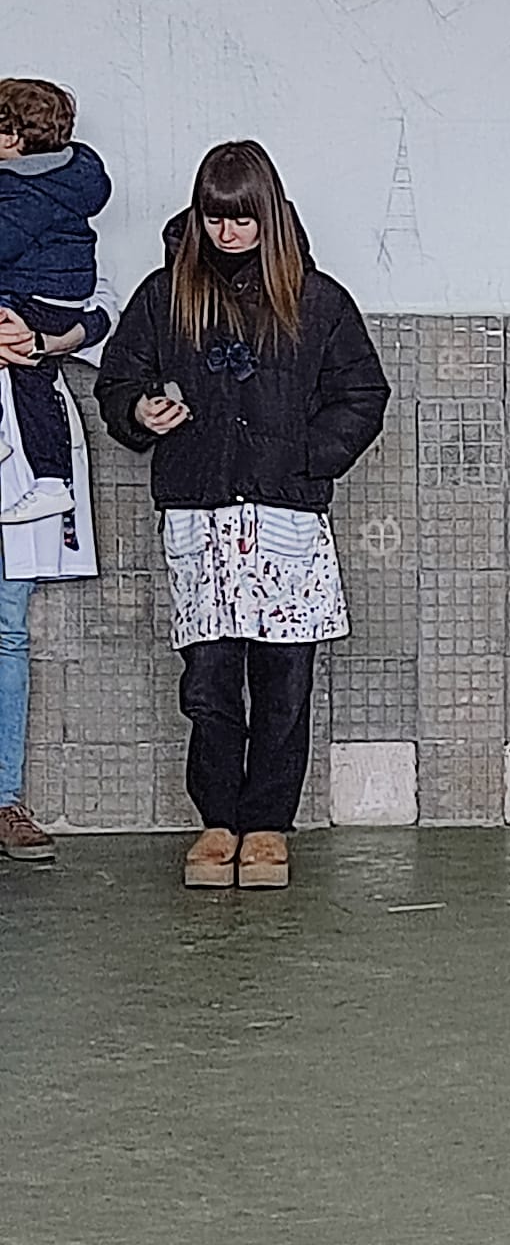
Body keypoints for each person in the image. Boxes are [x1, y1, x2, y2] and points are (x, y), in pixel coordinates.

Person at [94, 140, 388, 891]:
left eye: (242, 218)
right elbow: (118, 381)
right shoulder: (166, 296)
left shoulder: (317, 300)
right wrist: (142, 411)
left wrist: (303, 458)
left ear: (269, 215)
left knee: (285, 680)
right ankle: (217, 819)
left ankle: (268, 825)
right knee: (209, 680)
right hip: (198, 516)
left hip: (286, 520)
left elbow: (363, 395)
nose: (228, 233)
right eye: (215, 218)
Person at [0, 273, 120, 861]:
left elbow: (103, 313)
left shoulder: (48, 235)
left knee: (7, 631)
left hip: (21, 452)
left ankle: (4, 800)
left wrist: (40, 342)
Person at [0, 78, 113, 525]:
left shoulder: (21, 188)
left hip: (33, 298)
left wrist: (43, 341)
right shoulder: (72, 175)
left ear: (11, 139)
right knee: (35, 382)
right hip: (62, 298)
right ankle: (50, 481)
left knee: (30, 373)